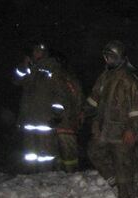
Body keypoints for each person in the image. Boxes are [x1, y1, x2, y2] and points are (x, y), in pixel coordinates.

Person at [86, 40, 138, 198]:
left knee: (125, 165)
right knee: (94, 151)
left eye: (111, 57)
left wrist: (132, 129)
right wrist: (82, 113)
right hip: (104, 128)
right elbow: (93, 100)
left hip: (122, 130)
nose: (107, 61)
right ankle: (114, 181)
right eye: (106, 57)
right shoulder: (104, 77)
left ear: (120, 57)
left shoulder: (130, 80)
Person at [12, 43, 84, 173]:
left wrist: (57, 113)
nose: (36, 54)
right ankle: (31, 177)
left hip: (45, 119)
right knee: (30, 155)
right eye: (35, 51)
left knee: (46, 155)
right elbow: (17, 80)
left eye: (39, 51)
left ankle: (48, 177)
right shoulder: (30, 69)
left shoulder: (52, 69)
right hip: (29, 120)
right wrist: (25, 65)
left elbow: (60, 93)